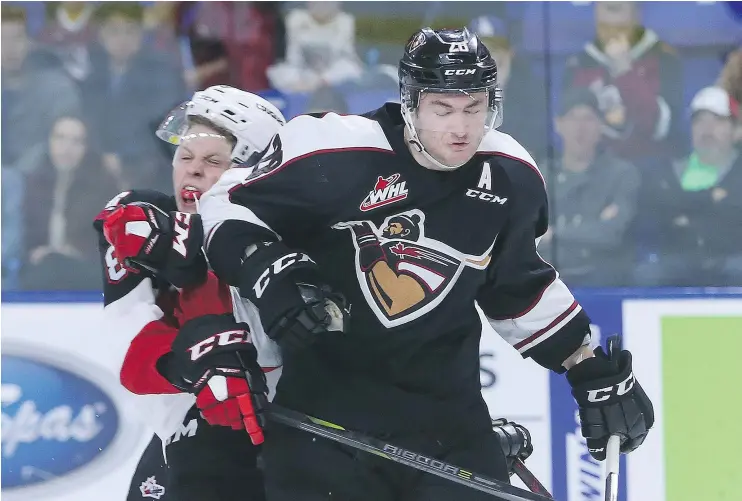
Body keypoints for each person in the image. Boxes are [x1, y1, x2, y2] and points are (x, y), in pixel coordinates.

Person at [195, 28, 655, 501]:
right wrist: (273, 274)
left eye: (474, 108)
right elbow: (225, 202)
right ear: (410, 102)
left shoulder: (508, 172)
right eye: (444, 109)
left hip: (446, 422)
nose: (461, 128)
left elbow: (515, 285)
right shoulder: (330, 149)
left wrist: (585, 366)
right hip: (324, 419)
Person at [93, 85, 286, 500]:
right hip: (188, 440)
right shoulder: (141, 228)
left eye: (214, 161)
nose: (192, 171)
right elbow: (130, 351)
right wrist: (190, 364)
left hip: (285, 445)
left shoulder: (289, 239)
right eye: (185, 156)